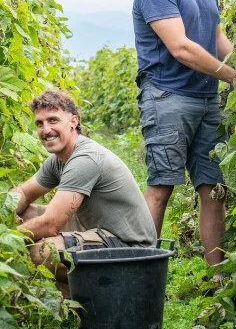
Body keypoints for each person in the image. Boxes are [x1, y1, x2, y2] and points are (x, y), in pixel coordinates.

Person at [132, 0, 236, 267]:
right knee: (161, 188)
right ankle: (140, 273)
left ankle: (217, 277)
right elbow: (181, 48)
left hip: (207, 100)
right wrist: (230, 76)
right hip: (167, 98)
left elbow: (218, 40)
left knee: (214, 190)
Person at [9, 90, 156, 297]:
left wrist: (4, 239)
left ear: (73, 121)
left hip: (130, 249)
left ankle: (94, 300)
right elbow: (23, 193)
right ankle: (75, 299)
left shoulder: (85, 159)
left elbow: (51, 224)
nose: (46, 130)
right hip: (100, 230)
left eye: (53, 120)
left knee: (44, 251)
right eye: (40, 123)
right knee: (22, 215)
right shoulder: (59, 159)